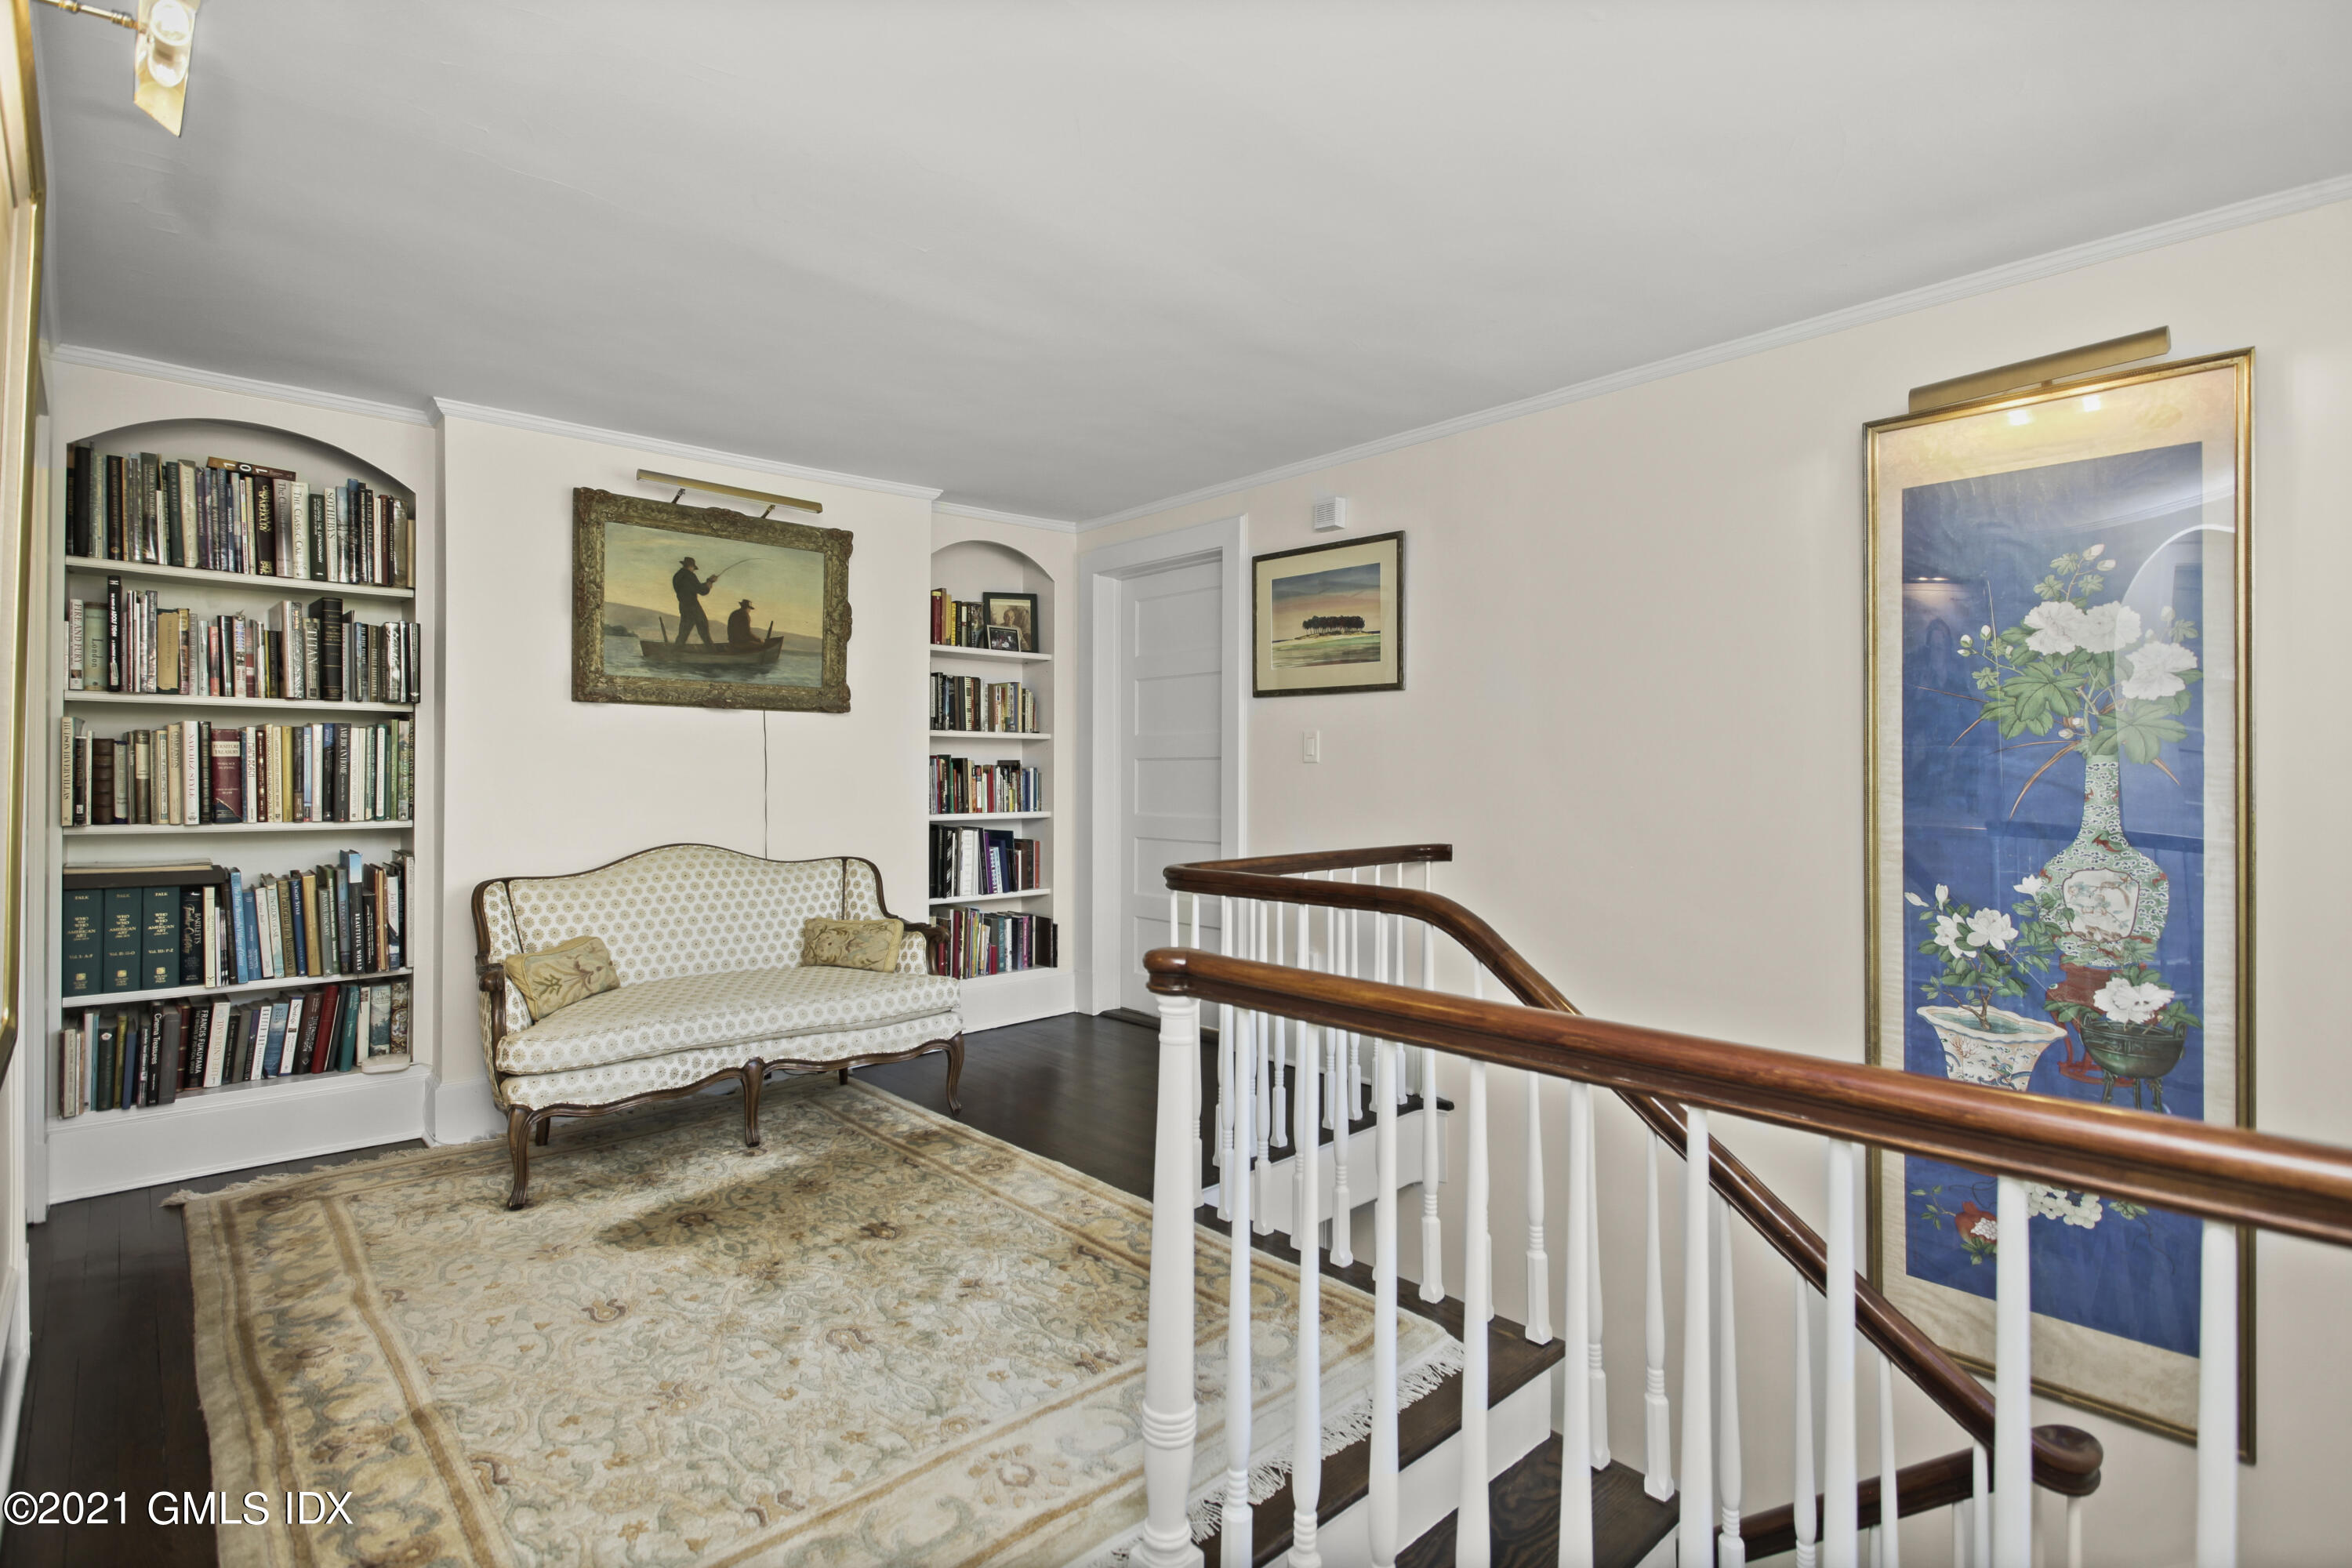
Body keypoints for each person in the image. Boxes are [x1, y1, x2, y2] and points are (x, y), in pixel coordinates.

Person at [672, 556, 718, 644]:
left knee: (683, 632)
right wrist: (710, 583)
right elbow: (702, 591)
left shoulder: (677, 576)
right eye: (693, 568)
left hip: (683, 606)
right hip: (693, 607)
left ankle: (676, 651)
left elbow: (693, 587)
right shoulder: (690, 575)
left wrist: (708, 582)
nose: (693, 570)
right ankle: (711, 651)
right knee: (703, 628)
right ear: (691, 566)